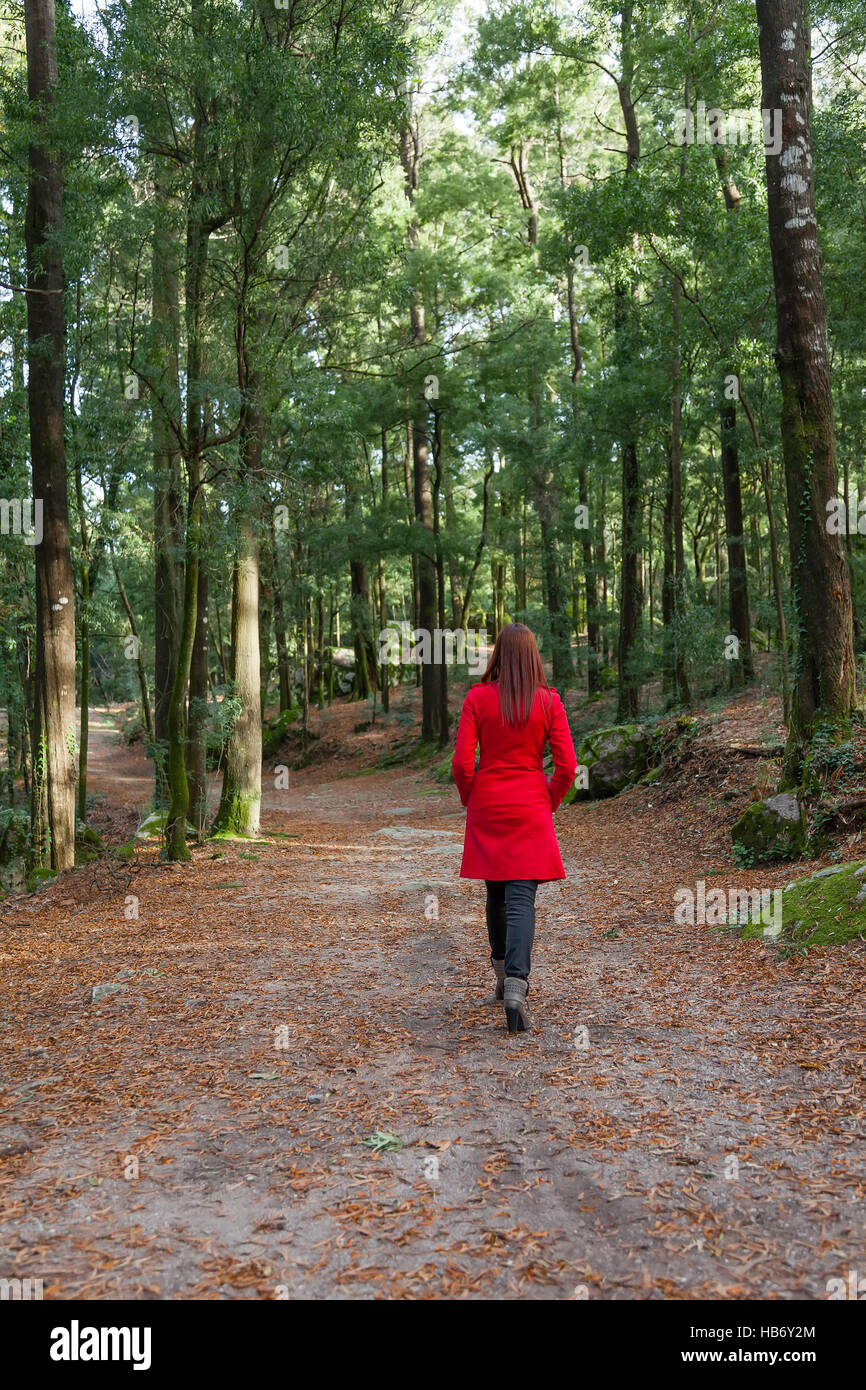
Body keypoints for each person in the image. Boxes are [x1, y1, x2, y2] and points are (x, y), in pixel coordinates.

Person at [451, 623, 577, 1033]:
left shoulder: (477, 698)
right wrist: (550, 799)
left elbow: (460, 764)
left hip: (488, 803)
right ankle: (517, 987)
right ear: (533, 656)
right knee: (522, 895)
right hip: (529, 806)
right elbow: (568, 766)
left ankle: (502, 976)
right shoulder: (549, 702)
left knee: (496, 891)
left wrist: (472, 795)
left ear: (498, 655)